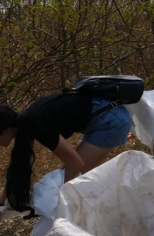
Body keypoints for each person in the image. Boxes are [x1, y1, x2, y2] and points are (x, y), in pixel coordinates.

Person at [0, 88, 134, 212]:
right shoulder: (25, 124)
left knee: (72, 180)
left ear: (6, 130)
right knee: (66, 182)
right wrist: (1, 203)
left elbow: (76, 163)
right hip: (105, 113)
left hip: (112, 120)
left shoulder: (37, 124)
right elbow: (18, 169)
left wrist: (47, 197)